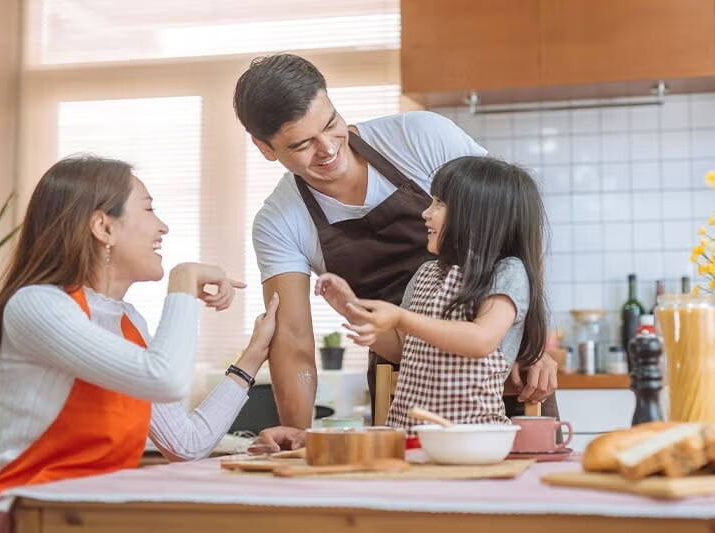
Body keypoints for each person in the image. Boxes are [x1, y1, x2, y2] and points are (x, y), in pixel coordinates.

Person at [234, 54, 559, 446]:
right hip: (408, 383)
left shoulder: (420, 136)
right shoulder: (279, 221)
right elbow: (293, 337)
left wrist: (534, 345)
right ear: (265, 148)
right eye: (303, 144)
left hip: (506, 369)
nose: (328, 148)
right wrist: (300, 435)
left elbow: (512, 224)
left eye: (331, 123)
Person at [0, 156, 297, 533]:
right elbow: (164, 378)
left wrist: (253, 357)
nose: (163, 226)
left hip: (91, 521)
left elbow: (186, 444)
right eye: (149, 209)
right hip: (22, 523)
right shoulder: (36, 305)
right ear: (103, 227)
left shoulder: (127, 321)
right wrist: (183, 281)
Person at [316, 156, 548, 432]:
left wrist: (400, 318)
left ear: (478, 216)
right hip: (408, 434)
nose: (426, 213)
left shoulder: (506, 272)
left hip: (472, 437)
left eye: (439, 203)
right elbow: (402, 348)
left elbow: (480, 340)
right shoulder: (426, 273)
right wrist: (351, 309)